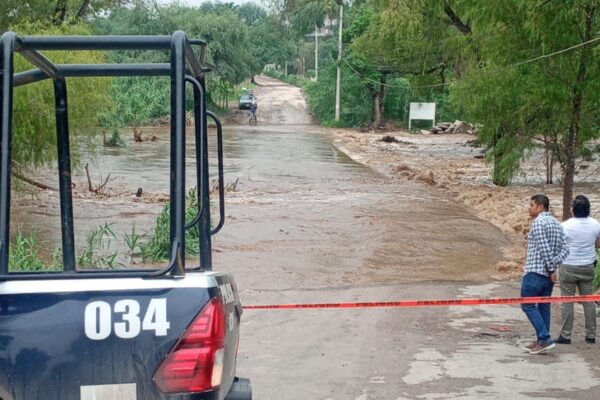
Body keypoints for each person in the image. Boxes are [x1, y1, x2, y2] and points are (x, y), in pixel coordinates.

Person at [521, 194, 569, 355]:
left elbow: (544, 248)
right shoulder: (557, 224)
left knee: (527, 304)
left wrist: (550, 269)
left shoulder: (539, 223)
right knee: (543, 307)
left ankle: (544, 337)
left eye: (532, 205)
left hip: (536, 272)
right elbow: (566, 249)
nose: (529, 208)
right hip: (548, 275)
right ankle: (542, 341)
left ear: (540, 207)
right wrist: (554, 266)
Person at [555, 195, 600, 345]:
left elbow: (559, 246)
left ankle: (566, 335)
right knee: (588, 301)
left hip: (568, 266)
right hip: (587, 266)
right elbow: (598, 244)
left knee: (567, 301)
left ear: (573, 210)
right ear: (588, 210)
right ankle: (591, 334)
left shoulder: (565, 225)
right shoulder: (595, 224)